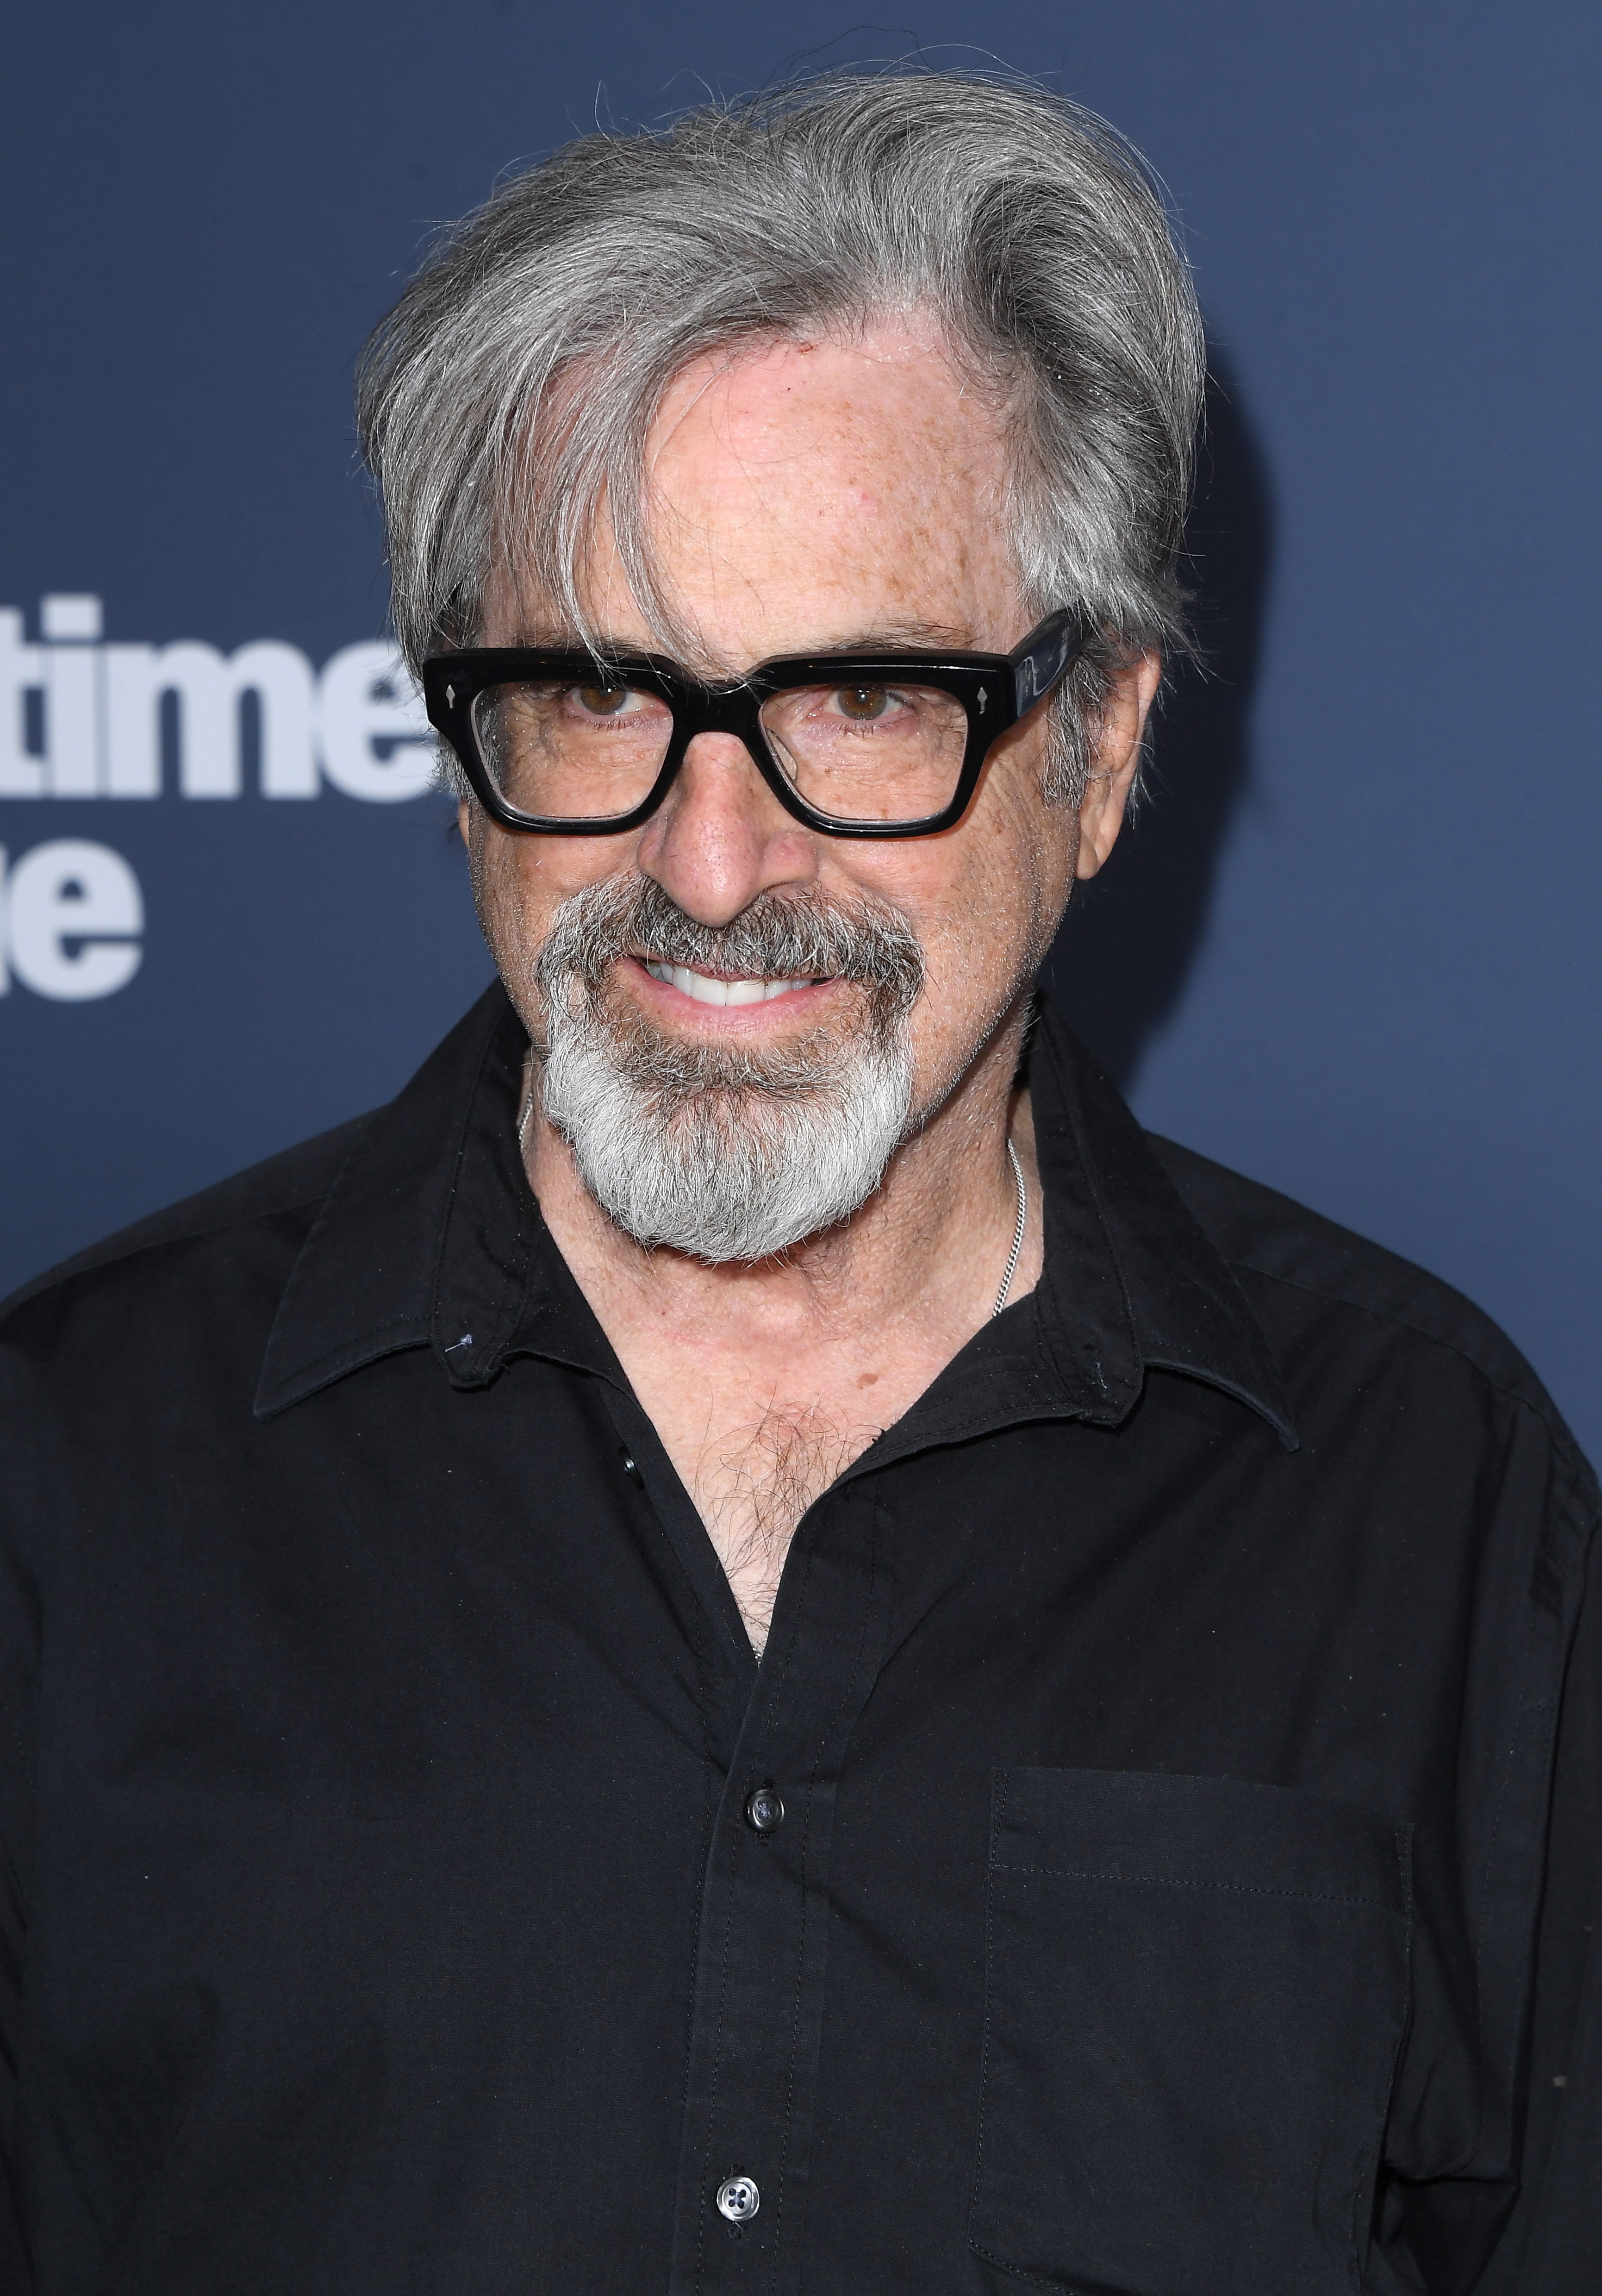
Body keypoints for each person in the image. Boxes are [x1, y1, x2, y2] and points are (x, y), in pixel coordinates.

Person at [0, 72, 1595, 2295]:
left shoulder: (1432, 1502)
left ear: (1100, 748)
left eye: (858, 699)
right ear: (459, 751)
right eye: (589, 695)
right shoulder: (70, 1475)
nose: (708, 862)